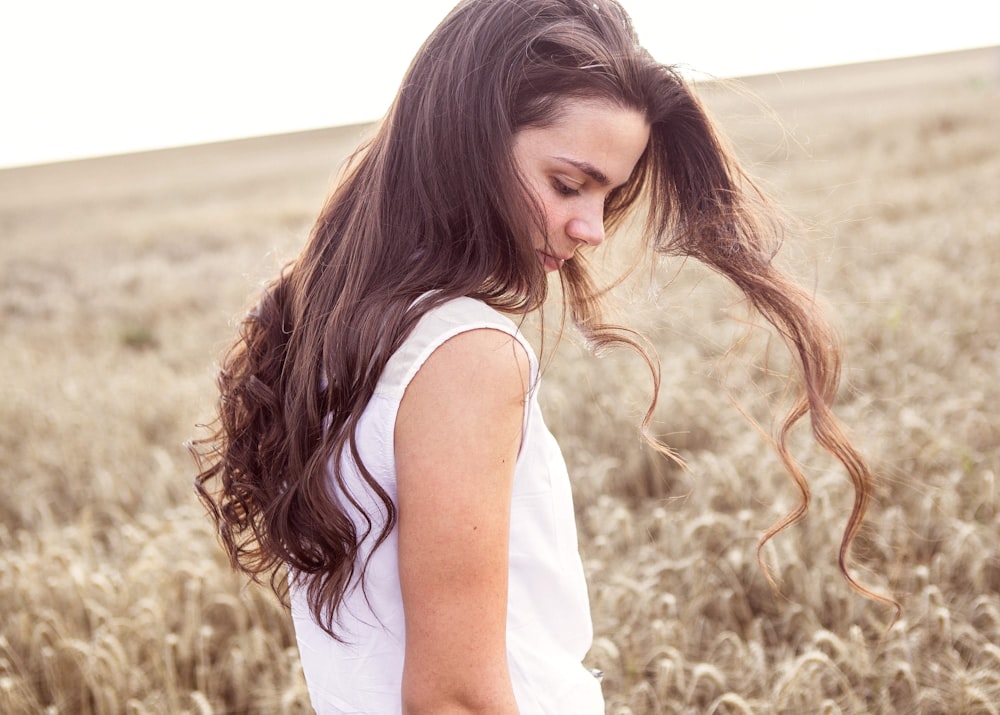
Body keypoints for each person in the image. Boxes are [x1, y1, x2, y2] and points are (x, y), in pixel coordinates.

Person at [192, 0, 894, 712]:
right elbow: (455, 699)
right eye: (568, 183)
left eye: (608, 195)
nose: (589, 228)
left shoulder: (332, 325)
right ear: (464, 141)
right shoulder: (463, 352)